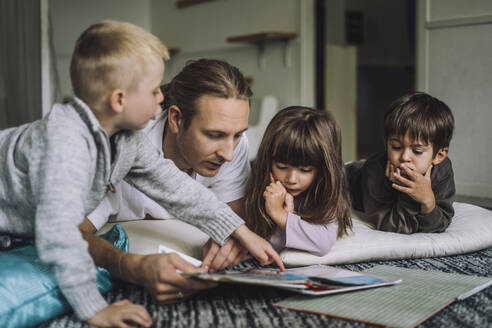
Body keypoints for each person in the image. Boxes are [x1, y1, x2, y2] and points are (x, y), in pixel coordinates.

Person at [0, 20, 283, 328]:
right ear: (119, 100)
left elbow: (175, 186)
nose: (163, 97)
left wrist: (239, 231)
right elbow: (60, 233)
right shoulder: (65, 144)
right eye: (154, 92)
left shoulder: (125, 140)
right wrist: (94, 309)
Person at [244, 106, 352, 256]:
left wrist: (281, 215)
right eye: (282, 167)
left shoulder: (325, 193)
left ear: (322, 170)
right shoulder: (257, 188)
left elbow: (323, 243)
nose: (292, 179)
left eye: (305, 170)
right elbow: (266, 245)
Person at [347, 92, 455, 234]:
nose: (404, 157)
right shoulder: (375, 170)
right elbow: (394, 226)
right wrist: (407, 192)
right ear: (386, 144)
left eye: (417, 151)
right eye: (396, 147)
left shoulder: (443, 170)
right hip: (345, 181)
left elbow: (438, 226)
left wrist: (428, 201)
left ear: (439, 155)